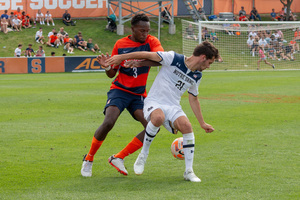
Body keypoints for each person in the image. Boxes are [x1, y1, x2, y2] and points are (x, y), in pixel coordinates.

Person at [104, 41, 219, 182]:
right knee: (158, 117)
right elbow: (147, 55)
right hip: (154, 102)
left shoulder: (197, 76)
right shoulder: (174, 58)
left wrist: (202, 123)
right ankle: (143, 155)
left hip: (173, 106)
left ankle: (189, 171)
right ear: (203, 57)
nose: (208, 66)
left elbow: (193, 99)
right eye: (209, 62)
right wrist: (122, 58)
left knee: (187, 127)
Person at [81, 13, 164, 177]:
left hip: (139, 94)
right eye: (141, 31)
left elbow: (161, 59)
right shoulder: (120, 44)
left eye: (147, 31)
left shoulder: (152, 41)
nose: (145, 34)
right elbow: (112, 74)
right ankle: (89, 159)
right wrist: (106, 67)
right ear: (132, 29)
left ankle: (119, 157)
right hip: (120, 90)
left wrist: (140, 62)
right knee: (109, 122)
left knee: (153, 127)